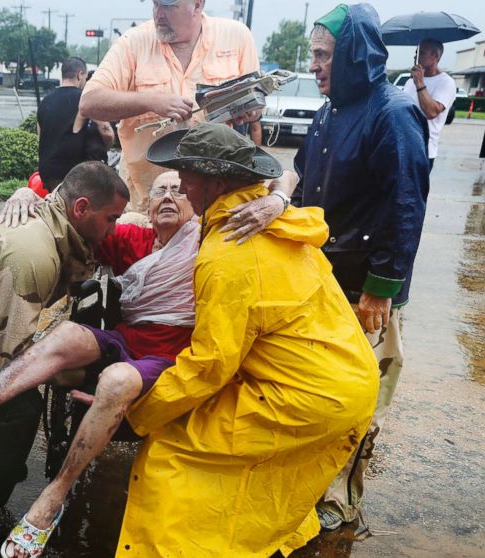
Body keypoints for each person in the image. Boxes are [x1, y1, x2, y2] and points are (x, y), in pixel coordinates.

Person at [0, 171, 197, 557]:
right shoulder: (128, 238)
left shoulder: (211, 244)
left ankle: (47, 498)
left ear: (199, 203)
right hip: (123, 341)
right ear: (148, 206)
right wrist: (27, 192)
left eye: (180, 190)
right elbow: (71, 200)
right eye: (160, 190)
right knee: (54, 356)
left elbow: (280, 194)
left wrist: (276, 197)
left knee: (65, 393)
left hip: (169, 358)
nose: (169, 197)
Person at [224, 3, 430, 531]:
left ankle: (340, 500)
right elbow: (301, 173)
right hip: (324, 278)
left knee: (361, 398)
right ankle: (308, 484)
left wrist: (381, 291)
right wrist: (277, 198)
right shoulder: (328, 111)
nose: (314, 66)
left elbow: (406, 207)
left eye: (322, 56)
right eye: (313, 56)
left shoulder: (394, 113)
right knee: (322, 392)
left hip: (366, 288)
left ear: (354, 56)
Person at [80, 0, 260, 211]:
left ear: (197, 5)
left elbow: (255, 102)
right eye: (156, 4)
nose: (159, 14)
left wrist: (250, 111)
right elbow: (89, 101)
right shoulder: (133, 42)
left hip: (212, 201)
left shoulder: (236, 37)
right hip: (148, 201)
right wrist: (151, 101)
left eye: (168, 6)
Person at [36, 57, 114, 191]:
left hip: (49, 174)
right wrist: (107, 145)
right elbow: (106, 131)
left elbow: (40, 137)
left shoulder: (45, 101)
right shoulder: (86, 100)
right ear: (80, 75)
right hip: (79, 174)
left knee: (59, 209)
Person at [403, 38, 457, 171]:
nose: (416, 57)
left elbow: (431, 112)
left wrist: (420, 84)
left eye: (421, 53)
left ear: (435, 57)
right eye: (416, 53)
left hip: (423, 150)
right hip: (403, 146)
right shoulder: (410, 81)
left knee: (414, 191)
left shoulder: (446, 82)